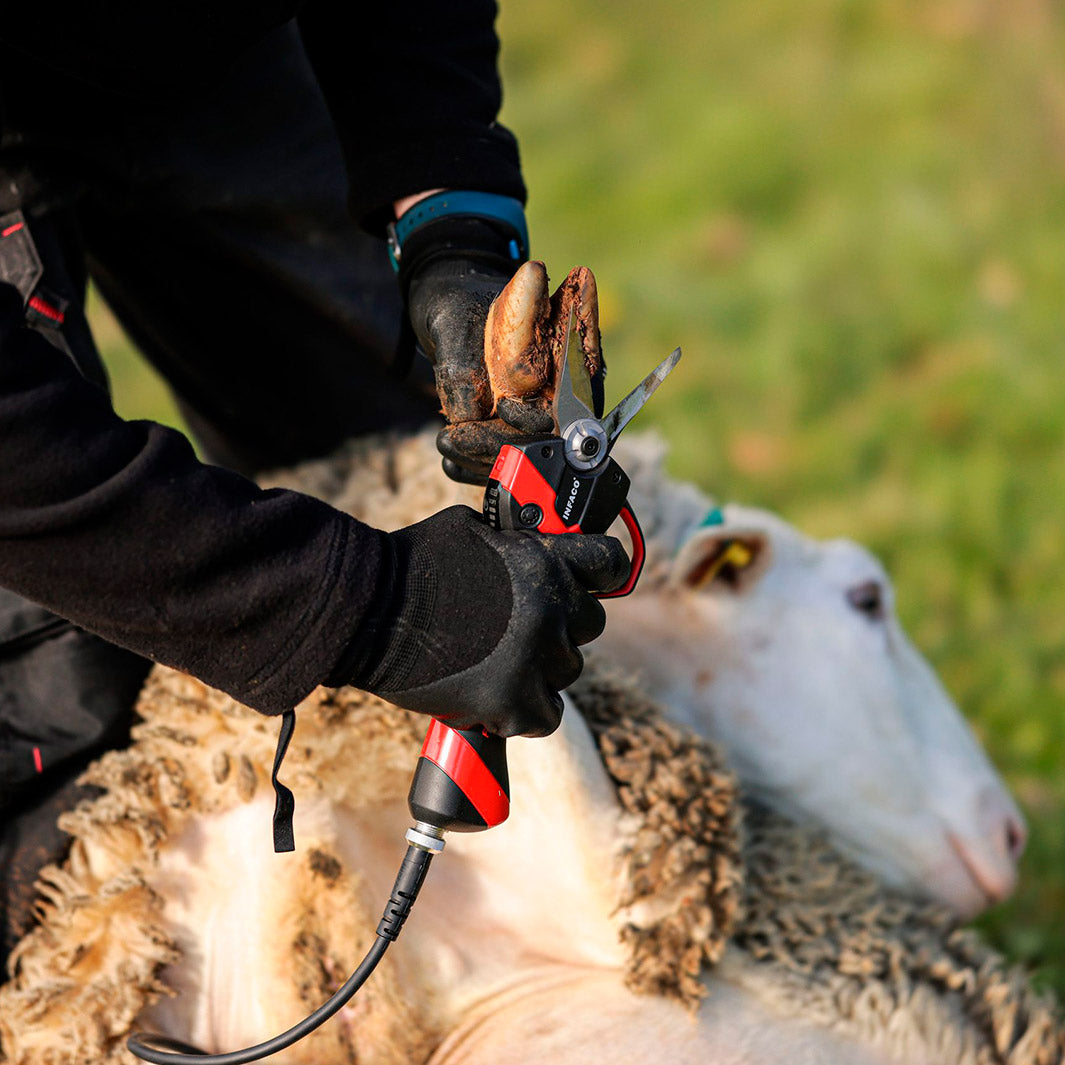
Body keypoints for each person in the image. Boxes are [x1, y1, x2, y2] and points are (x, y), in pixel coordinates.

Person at [0, 4, 628, 963]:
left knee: (390, 460)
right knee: (62, 772)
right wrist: (366, 607)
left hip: (205, 52)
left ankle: (495, 948)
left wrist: (449, 214)